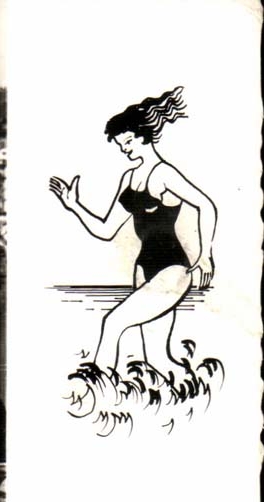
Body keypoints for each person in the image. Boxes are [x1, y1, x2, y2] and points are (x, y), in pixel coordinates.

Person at [50, 87, 215, 376]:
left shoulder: (163, 173)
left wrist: (205, 255)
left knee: (113, 322)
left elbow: (207, 205)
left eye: (126, 141)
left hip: (172, 269)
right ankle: (187, 383)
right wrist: (73, 206)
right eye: (119, 144)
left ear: (143, 136)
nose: (124, 149)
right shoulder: (130, 177)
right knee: (156, 360)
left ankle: (95, 388)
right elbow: (105, 229)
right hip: (143, 268)